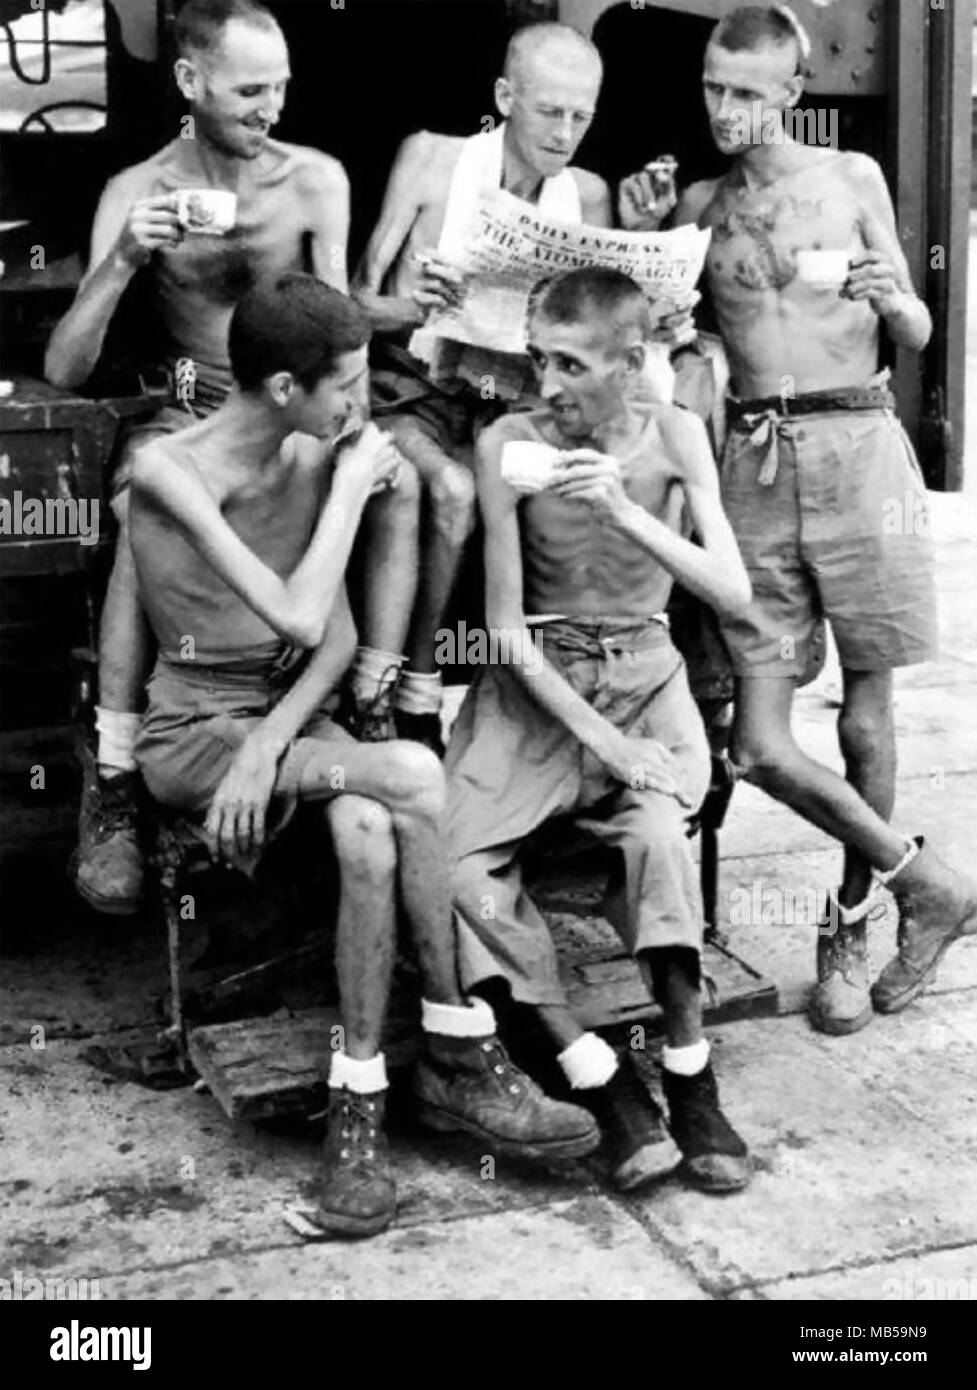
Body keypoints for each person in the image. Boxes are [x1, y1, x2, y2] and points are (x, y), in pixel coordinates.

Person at [127, 272, 600, 1238]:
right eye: (346, 384)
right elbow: (294, 612)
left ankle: (361, 1103)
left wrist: (270, 747)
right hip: (192, 735)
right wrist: (351, 486)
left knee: (369, 831)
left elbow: (334, 641)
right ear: (281, 389)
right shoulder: (170, 470)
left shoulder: (308, 454)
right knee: (414, 773)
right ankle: (459, 1044)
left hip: (285, 727)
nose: (363, 403)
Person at [661, 5, 977, 1032]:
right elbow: (672, 333)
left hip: (857, 445)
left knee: (863, 715)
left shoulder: (852, 182)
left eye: (745, 93)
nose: (724, 109)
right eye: (713, 87)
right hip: (755, 461)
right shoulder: (699, 205)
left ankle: (848, 924)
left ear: (791, 94)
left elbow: (920, 328)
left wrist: (897, 298)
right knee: (755, 741)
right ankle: (924, 879)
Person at [448, 267, 754, 1195]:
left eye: (572, 365)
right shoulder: (507, 442)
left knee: (660, 832)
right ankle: (591, 1069)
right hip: (536, 684)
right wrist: (604, 744)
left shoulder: (676, 435)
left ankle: (690, 1073)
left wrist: (622, 507)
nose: (548, 384)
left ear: (631, 363)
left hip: (644, 671)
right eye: (539, 357)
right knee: (456, 870)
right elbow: (504, 629)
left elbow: (732, 593)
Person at [45, 0, 350, 916]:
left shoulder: (316, 179)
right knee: (145, 491)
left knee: (399, 482)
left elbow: (337, 341)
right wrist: (125, 259)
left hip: (294, 411)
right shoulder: (135, 190)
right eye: (251, 88)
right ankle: (114, 770)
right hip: (187, 413)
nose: (273, 107)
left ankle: (371, 704)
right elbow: (66, 367)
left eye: (283, 85)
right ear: (190, 82)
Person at [350, 21, 680, 749]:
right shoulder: (432, 161)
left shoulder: (585, 194)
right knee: (455, 493)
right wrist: (417, 305)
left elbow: (606, 330)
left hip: (519, 408)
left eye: (581, 115)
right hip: (416, 395)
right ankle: (413, 689)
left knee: (611, 482)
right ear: (504, 96)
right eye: (548, 111)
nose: (565, 132)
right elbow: (351, 307)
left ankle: (597, 689)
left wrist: (642, 235)